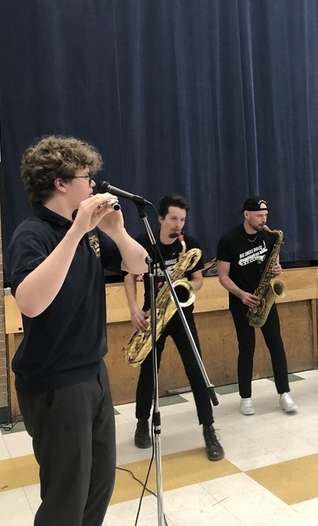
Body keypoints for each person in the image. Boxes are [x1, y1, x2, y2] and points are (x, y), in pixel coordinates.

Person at [7, 136, 149, 526]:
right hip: (55, 381)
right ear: (61, 183)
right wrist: (78, 229)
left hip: (92, 372)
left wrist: (118, 232)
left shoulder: (87, 232)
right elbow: (30, 302)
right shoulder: (33, 234)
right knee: (65, 497)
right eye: (87, 177)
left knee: (99, 484)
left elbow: (141, 263)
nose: (94, 186)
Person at [124, 194, 224, 461]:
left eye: (182, 219)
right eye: (173, 219)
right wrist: (134, 307)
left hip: (181, 314)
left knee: (196, 370)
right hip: (152, 316)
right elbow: (129, 277)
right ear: (160, 219)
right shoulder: (143, 242)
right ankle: (142, 423)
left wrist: (187, 287)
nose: (178, 224)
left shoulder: (189, 244)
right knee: (149, 373)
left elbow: (199, 279)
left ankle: (209, 430)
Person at [216, 197, 297, 415]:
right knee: (247, 347)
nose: (264, 220)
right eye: (259, 216)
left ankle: (284, 393)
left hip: (264, 298)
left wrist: (278, 269)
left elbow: (274, 264)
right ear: (246, 214)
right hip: (241, 300)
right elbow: (222, 276)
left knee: (276, 344)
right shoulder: (228, 240)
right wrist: (241, 294)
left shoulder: (269, 237)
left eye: (266, 216)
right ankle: (245, 398)